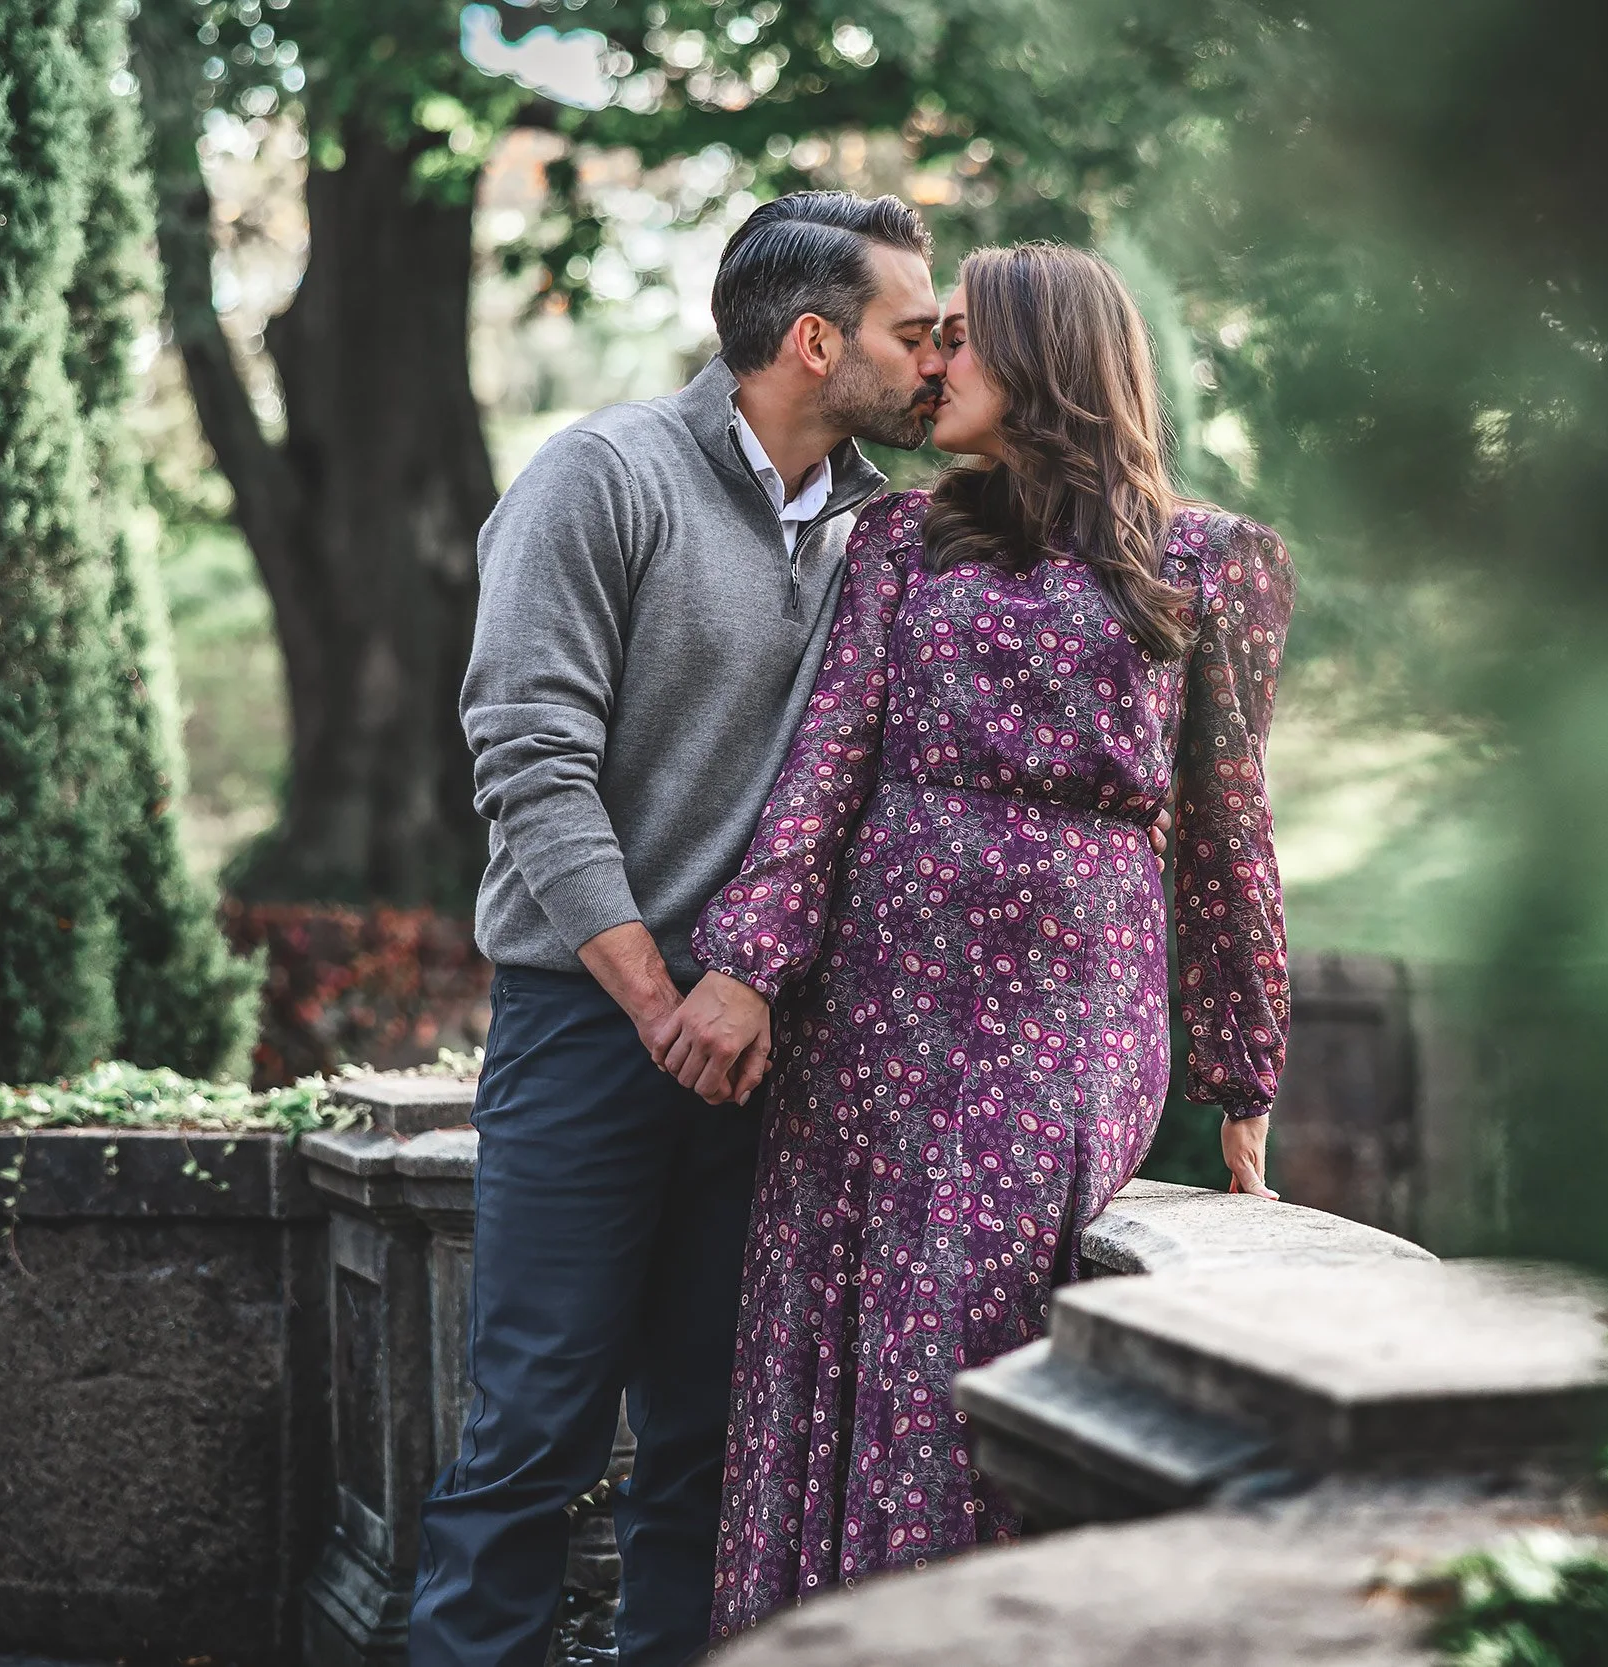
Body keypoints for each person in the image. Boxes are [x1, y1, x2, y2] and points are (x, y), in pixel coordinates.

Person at [662, 242, 1295, 1636]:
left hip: (1063, 1021)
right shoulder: (903, 540)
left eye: (958, 340)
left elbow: (1227, 831)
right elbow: (823, 774)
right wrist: (751, 965)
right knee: (828, 1353)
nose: (929, 365)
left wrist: (1243, 1073)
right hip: (872, 1014)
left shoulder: (1211, 560)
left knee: (967, 1342)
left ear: (1049, 362)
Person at [414, 191, 950, 1667]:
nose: (936, 360)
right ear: (814, 338)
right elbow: (528, 753)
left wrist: (749, 991)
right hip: (593, 1024)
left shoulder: (881, 534)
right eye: (915, 331)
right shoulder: (602, 477)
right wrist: (661, 998)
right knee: (535, 1425)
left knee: (711, 1444)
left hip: (765, 1042)